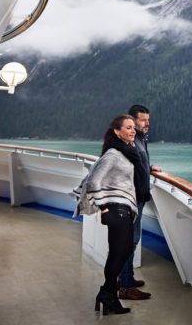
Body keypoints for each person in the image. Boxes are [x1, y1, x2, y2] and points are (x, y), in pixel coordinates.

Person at [73, 115, 140, 315]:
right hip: (116, 210)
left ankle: (107, 292)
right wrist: (103, 207)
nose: (133, 130)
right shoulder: (113, 154)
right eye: (128, 127)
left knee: (124, 251)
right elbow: (94, 181)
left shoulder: (127, 152)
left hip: (125, 209)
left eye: (133, 127)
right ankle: (108, 294)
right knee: (118, 254)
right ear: (117, 132)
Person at [118, 104, 161, 300]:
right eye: (143, 120)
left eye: (148, 120)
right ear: (132, 120)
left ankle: (127, 278)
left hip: (139, 197)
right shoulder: (128, 140)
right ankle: (125, 286)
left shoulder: (141, 139)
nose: (147, 123)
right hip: (131, 199)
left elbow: (138, 161)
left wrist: (149, 167)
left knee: (131, 241)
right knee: (129, 241)